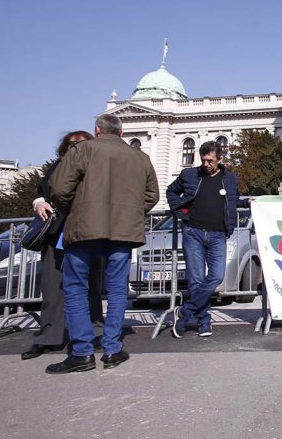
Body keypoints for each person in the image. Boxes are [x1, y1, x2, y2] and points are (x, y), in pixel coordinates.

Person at [46, 114, 159, 373]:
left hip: (85, 228)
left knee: (76, 288)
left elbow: (60, 188)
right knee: (118, 290)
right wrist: (131, 212)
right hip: (123, 232)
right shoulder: (140, 157)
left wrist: (76, 209)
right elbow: (152, 195)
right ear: (121, 132)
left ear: (97, 130)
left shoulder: (83, 149)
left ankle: (83, 352)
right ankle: (112, 349)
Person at [21, 131, 104, 360]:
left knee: (90, 285)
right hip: (56, 231)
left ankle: (95, 332)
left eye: (81, 144)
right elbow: (43, 189)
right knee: (51, 286)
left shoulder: (97, 168)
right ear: (65, 147)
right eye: (71, 144)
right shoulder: (58, 165)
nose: (76, 148)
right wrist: (39, 201)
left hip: (87, 231)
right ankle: (48, 336)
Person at [166, 140, 240, 338]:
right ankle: (204, 321)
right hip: (194, 232)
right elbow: (171, 191)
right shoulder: (189, 175)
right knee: (196, 280)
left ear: (220, 158)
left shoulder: (230, 178)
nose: (206, 164)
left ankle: (184, 311)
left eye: (211, 161)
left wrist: (249, 201)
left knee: (216, 276)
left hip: (217, 234)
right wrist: (181, 213)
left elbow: (233, 200)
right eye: (203, 160)